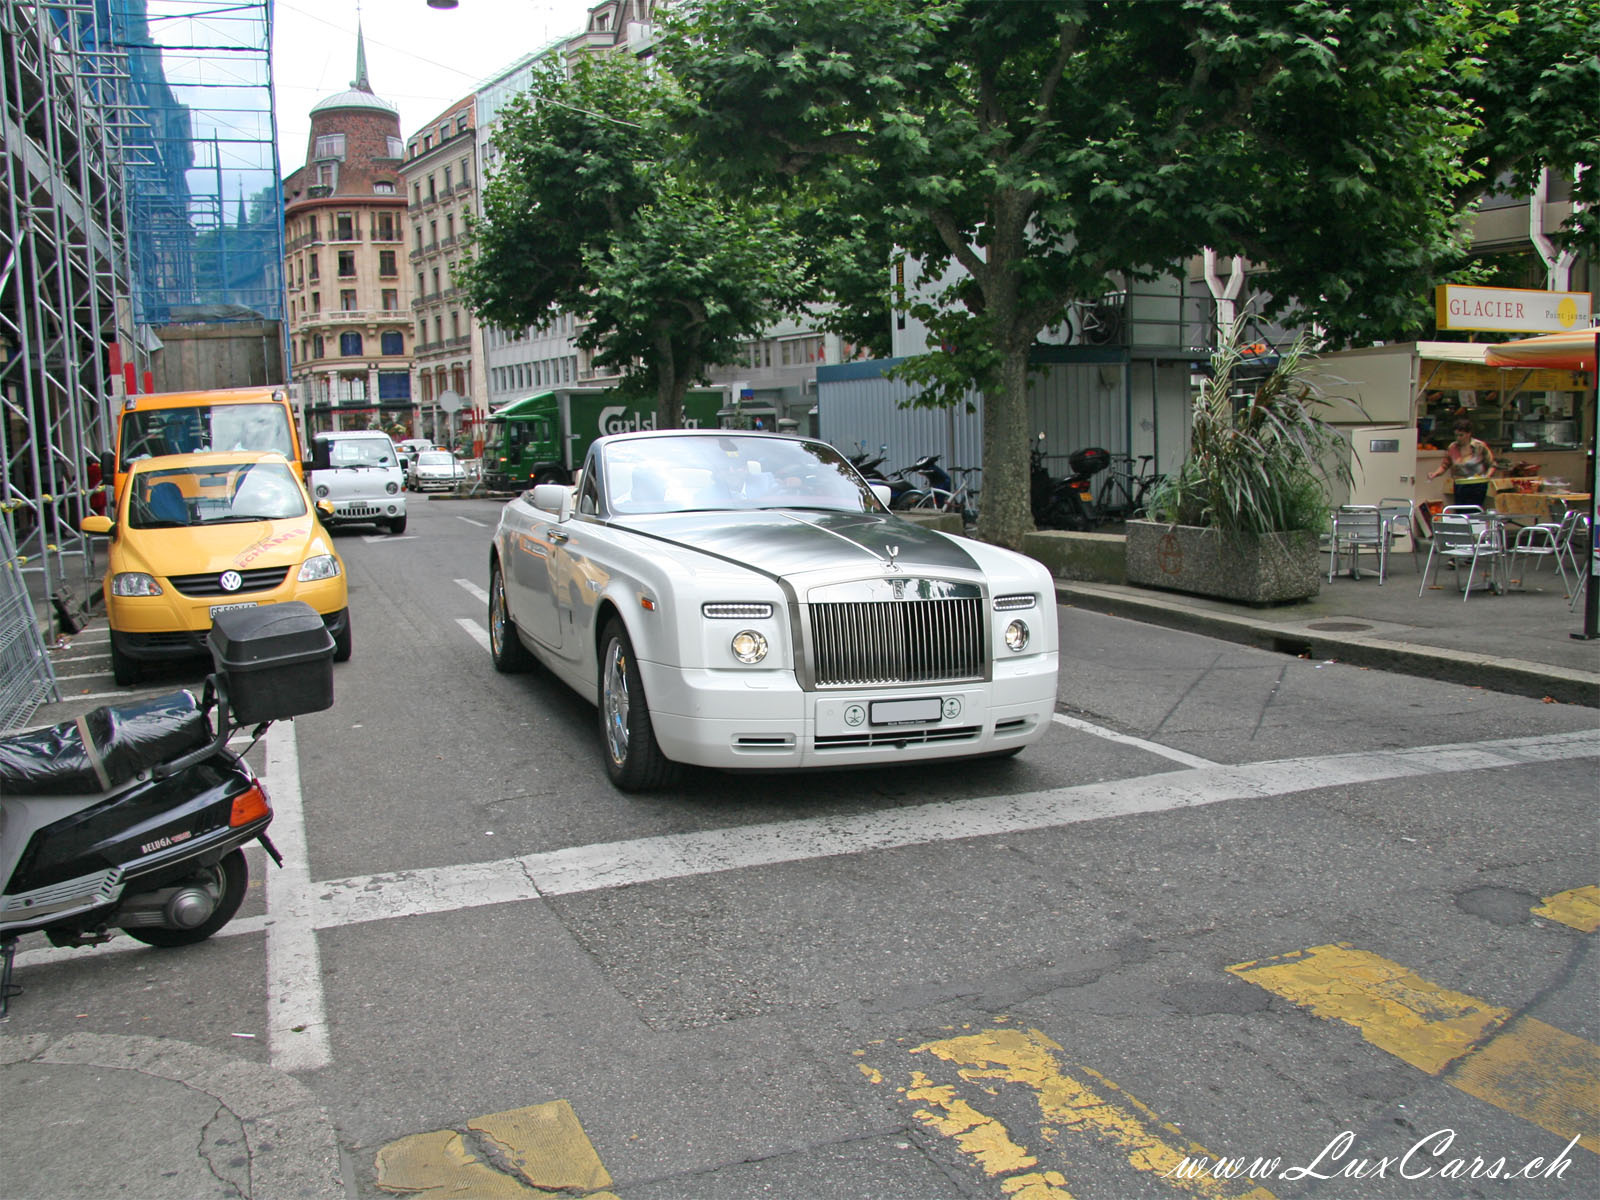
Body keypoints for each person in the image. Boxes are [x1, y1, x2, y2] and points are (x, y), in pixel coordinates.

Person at [1428, 417, 1496, 509]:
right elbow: (1445, 465)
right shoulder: (1453, 447)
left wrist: (1487, 477)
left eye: (1461, 435)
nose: (1458, 438)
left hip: (1477, 485)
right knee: (1461, 511)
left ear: (1468, 434)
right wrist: (1435, 474)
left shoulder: (1479, 446)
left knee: (1475, 511)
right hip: (1460, 485)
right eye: (1456, 435)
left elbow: (1492, 464)